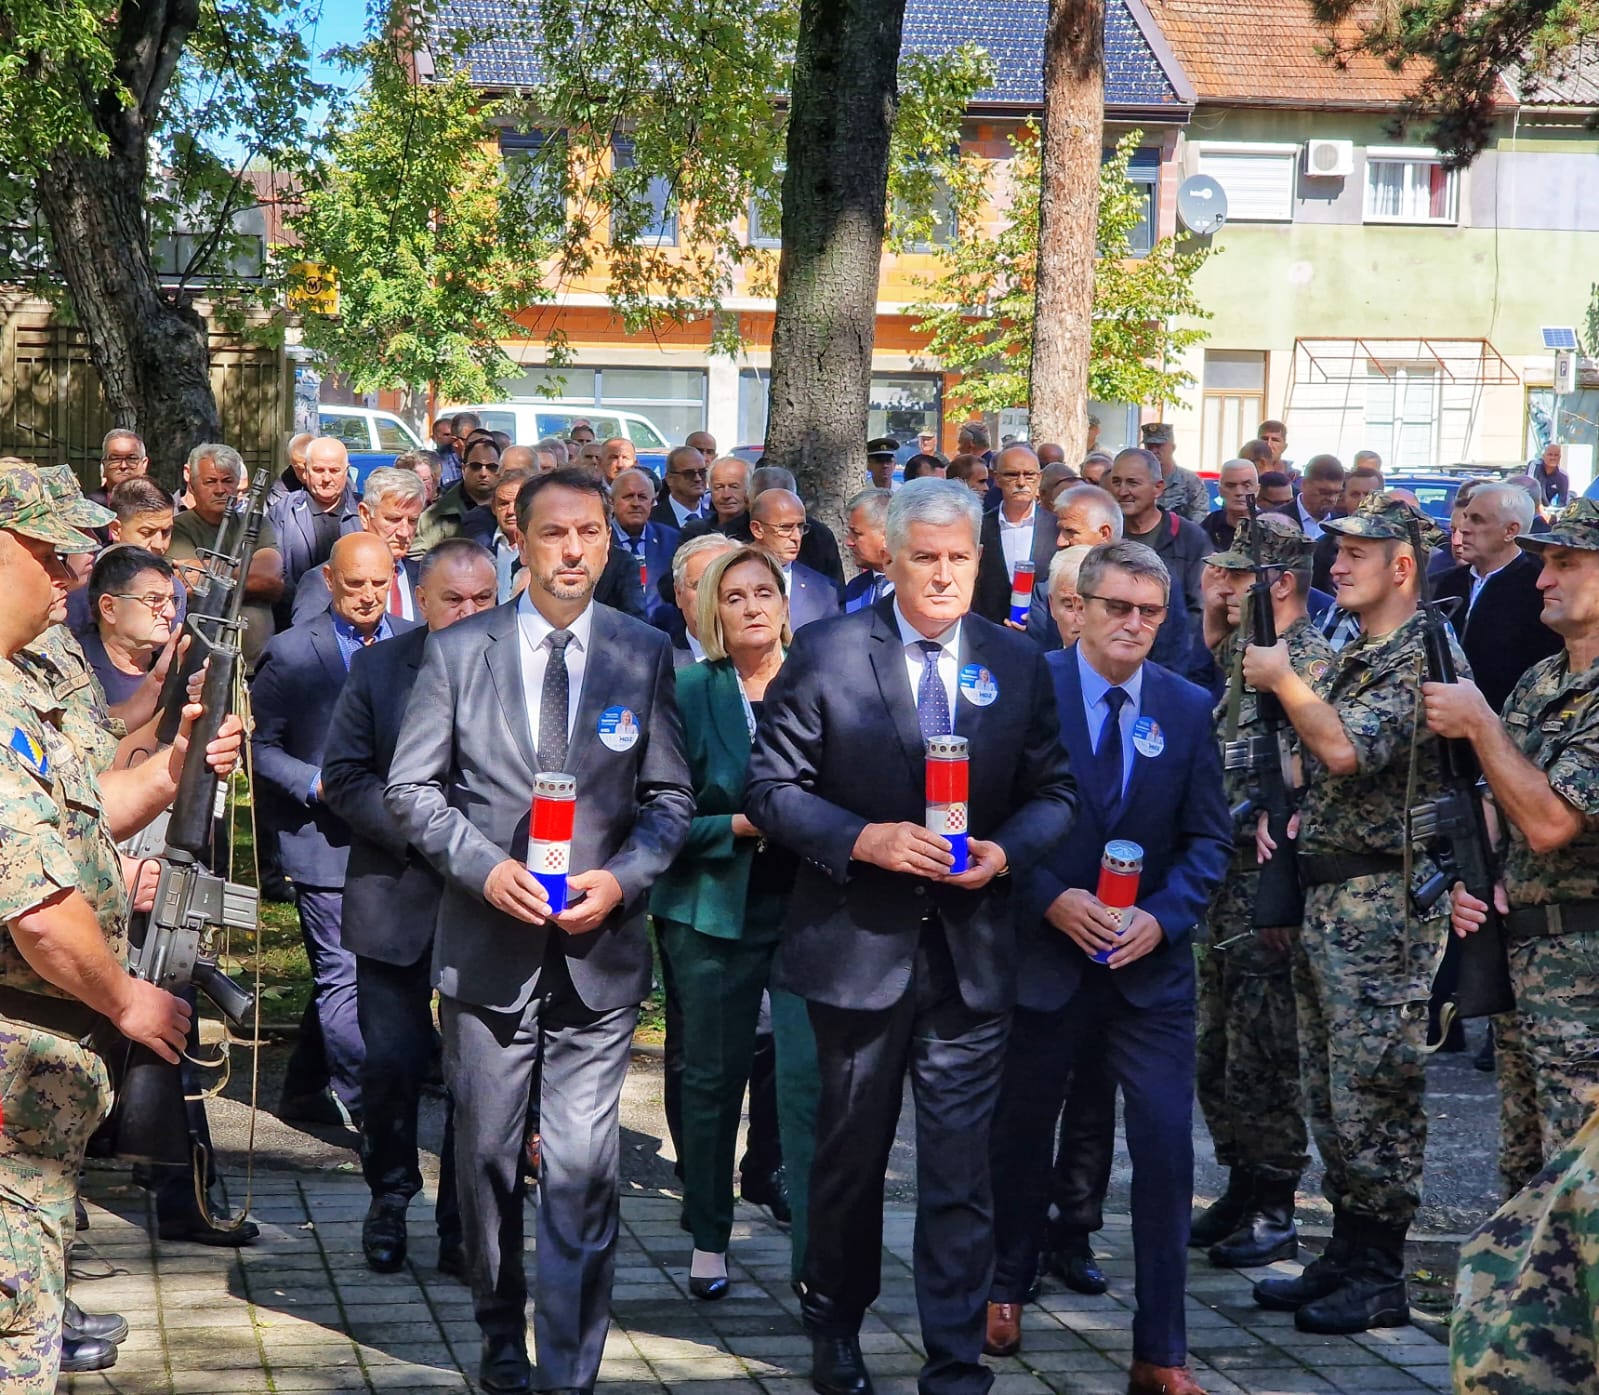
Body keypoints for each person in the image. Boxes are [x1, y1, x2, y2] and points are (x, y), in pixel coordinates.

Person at [745, 477, 1076, 1395]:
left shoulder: (1017, 662)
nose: (940, 574)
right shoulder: (826, 650)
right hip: (856, 951)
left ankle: (954, 1354)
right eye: (923, 556)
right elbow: (769, 790)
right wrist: (865, 839)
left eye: (957, 558)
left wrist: (1003, 855)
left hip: (969, 957)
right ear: (887, 557)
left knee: (962, 1168)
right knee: (850, 1159)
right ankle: (836, 1326)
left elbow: (1057, 795)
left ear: (980, 560)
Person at [384, 468, 694, 1395]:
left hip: (599, 956)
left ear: (607, 543)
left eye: (589, 533)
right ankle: (497, 1333)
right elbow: (409, 789)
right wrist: (485, 867)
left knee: (583, 1167)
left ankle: (568, 1366)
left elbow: (671, 797)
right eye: (553, 533)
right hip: (487, 952)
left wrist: (623, 875)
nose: (571, 550)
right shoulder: (458, 650)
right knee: (482, 1158)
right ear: (518, 539)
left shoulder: (642, 651)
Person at [0, 462, 242, 1392]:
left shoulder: (20, 684)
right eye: (46, 551)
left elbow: (81, 812)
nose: (69, 572)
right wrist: (128, 999)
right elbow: (37, 909)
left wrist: (175, 766)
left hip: (42, 1061)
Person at [985, 542, 1229, 1395]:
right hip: (1044, 956)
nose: (1133, 624)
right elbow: (988, 818)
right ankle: (1002, 1284)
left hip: (1146, 975)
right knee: (1018, 1133)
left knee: (1165, 1152)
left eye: (1149, 612)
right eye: (1117, 606)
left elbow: (1208, 840)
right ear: (1077, 607)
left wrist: (1158, 919)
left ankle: (1160, 1349)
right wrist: (1048, 896)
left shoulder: (1188, 705)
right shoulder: (1026, 684)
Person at [1241, 493, 1459, 1335]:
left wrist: (1284, 677)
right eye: (1334, 552)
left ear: (1400, 566)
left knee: (1374, 1091)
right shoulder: (1357, 648)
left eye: (1354, 555)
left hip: (1383, 906)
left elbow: (1342, 746)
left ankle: (1378, 1268)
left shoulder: (1423, 654)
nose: (1334, 567)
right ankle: (1344, 1247)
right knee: (1331, 1092)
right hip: (1331, 895)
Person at [323, 539, 499, 1277]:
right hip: (394, 893)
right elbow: (344, 774)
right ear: (417, 600)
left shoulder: (520, 669)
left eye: (481, 600)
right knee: (391, 1063)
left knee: (477, 1072)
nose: (466, 612)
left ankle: (464, 1219)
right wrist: (421, 830)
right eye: (451, 599)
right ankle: (389, 1195)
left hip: (488, 901)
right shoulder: (377, 667)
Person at [649, 546, 816, 1298]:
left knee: (811, 1080)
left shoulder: (820, 681)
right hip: (711, 907)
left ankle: (816, 1247)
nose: (752, 606)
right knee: (712, 1078)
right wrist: (739, 827)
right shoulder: (687, 689)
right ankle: (708, 1238)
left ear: (785, 604)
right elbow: (654, 815)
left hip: (813, 910)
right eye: (735, 595)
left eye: (764, 592)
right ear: (711, 611)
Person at [1422, 498, 1599, 1190]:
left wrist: (1479, 725)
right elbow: (1504, 800)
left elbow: (1552, 822)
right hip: (1527, 967)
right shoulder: (1542, 679)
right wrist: (1476, 876)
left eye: (1564, 563)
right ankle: (1519, 1301)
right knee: (1523, 1177)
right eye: (1542, 563)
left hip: (1585, 983)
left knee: (1579, 1187)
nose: (1540, 580)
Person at [1191, 517, 1331, 1270]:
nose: (1226, 586)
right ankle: (1243, 1181)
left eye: (1241, 578)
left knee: (1264, 1049)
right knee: (1217, 1045)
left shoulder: (1305, 660)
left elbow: (1322, 769)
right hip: (1224, 875)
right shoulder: (1244, 657)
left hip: (1266, 879)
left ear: (1277, 584)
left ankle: (1275, 1199)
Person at [255, 534, 420, 1130]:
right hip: (322, 843)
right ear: (329, 582)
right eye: (356, 584)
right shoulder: (292, 652)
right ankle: (370, 1109)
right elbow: (260, 747)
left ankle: (302, 1088)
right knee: (342, 974)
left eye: (380, 583)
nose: (369, 595)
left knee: (373, 969)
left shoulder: (414, 640)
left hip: (398, 839)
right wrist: (318, 783)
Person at [1434, 481, 1561, 714]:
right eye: (1465, 517)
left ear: (1510, 531)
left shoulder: (1539, 590)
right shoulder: (1448, 583)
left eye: (1478, 519)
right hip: (1441, 729)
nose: (1464, 528)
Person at [166, 443, 284, 668]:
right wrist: (247, 571)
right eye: (210, 481)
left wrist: (212, 572)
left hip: (256, 664)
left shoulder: (257, 523)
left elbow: (270, 579)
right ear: (192, 484)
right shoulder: (177, 529)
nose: (220, 489)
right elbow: (187, 583)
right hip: (201, 663)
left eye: (227, 481)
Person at [1108, 448, 1208, 680]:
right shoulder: (1107, 535)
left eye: (1132, 483)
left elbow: (1200, 610)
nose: (1123, 491)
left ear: (1158, 488)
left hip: (1173, 668)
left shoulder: (1190, 538)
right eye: (1116, 482)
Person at [290, 466, 427, 626]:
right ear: (364, 515)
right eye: (393, 519)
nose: (404, 532)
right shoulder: (322, 582)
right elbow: (307, 644)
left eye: (412, 521)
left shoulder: (425, 579)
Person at [267, 436, 362, 622]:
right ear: (305, 471)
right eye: (319, 470)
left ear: (346, 471)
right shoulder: (283, 511)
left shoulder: (364, 512)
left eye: (334, 470)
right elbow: (275, 568)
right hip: (295, 616)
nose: (327, 478)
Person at [80, 546, 178, 718]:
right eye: (154, 599)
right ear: (109, 608)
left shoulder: (175, 665)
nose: (171, 613)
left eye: (171, 600)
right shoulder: (77, 669)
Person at [975, 444, 1057, 623]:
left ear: (1040, 478)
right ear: (996, 478)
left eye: (1029, 475)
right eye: (1012, 475)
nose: (1021, 483)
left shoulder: (1056, 529)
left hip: (1042, 638)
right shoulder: (978, 528)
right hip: (988, 635)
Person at [749, 488, 841, 631]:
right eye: (786, 528)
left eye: (801, 527)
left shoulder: (825, 590)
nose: (796, 537)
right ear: (757, 529)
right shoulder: (729, 575)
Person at [610, 467, 681, 620]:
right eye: (628, 497)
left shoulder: (671, 539)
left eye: (642, 497)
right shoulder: (599, 541)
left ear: (652, 502)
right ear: (611, 502)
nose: (636, 503)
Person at [414, 432, 503, 554]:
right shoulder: (434, 517)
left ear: (501, 470)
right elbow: (417, 561)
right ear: (463, 469)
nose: (483, 473)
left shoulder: (513, 510)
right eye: (476, 466)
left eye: (491, 467)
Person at [660, 533, 737, 666]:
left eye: (725, 584)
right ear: (678, 594)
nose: (711, 595)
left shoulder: (780, 663)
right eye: (701, 586)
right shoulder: (657, 665)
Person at [1141, 423, 1209, 524]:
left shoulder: (1190, 481)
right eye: (1149, 446)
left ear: (1172, 448)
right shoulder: (1139, 480)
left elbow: (1199, 515)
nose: (1154, 451)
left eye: (1159, 446)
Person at [842, 487, 893, 611]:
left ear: (887, 534)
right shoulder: (855, 588)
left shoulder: (918, 588)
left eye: (856, 533)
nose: (849, 542)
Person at [1273, 455, 1344, 541]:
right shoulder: (1274, 520)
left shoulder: (1343, 527)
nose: (1332, 499)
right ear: (1304, 484)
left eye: (1337, 493)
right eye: (1324, 492)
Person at [1202, 459, 1259, 551]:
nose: (1239, 492)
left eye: (1246, 485)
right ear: (1219, 491)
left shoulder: (1271, 527)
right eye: (1230, 486)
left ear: (1257, 490)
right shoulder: (1210, 524)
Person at [88, 429, 149, 511]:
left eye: (131, 458)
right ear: (104, 464)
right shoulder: (88, 508)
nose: (123, 466)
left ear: (144, 464)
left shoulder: (163, 504)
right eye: (115, 459)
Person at [654, 445, 710, 528]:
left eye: (702, 472)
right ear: (670, 479)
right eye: (689, 474)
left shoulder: (717, 521)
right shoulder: (651, 519)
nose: (698, 479)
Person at [1525, 442, 1570, 508]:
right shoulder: (1534, 465)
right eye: (1550, 454)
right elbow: (1528, 489)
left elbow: (1563, 502)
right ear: (1543, 456)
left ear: (1560, 458)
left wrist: (1553, 510)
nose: (1553, 458)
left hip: (1547, 510)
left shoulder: (1563, 476)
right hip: (1529, 507)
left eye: (1556, 455)